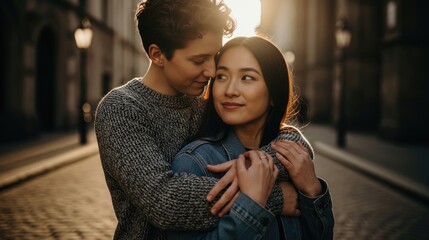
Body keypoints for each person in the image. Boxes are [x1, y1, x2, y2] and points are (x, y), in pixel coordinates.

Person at [95, 1, 301, 239]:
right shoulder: (121, 109)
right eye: (199, 60)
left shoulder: (207, 105)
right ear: (158, 54)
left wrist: (255, 166)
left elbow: (287, 136)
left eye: (214, 57)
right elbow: (165, 202)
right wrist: (269, 196)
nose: (212, 71)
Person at [168, 36, 334, 239]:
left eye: (247, 78)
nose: (230, 91)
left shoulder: (291, 158)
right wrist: (252, 204)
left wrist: (312, 191)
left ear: (273, 94)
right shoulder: (195, 162)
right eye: (221, 76)